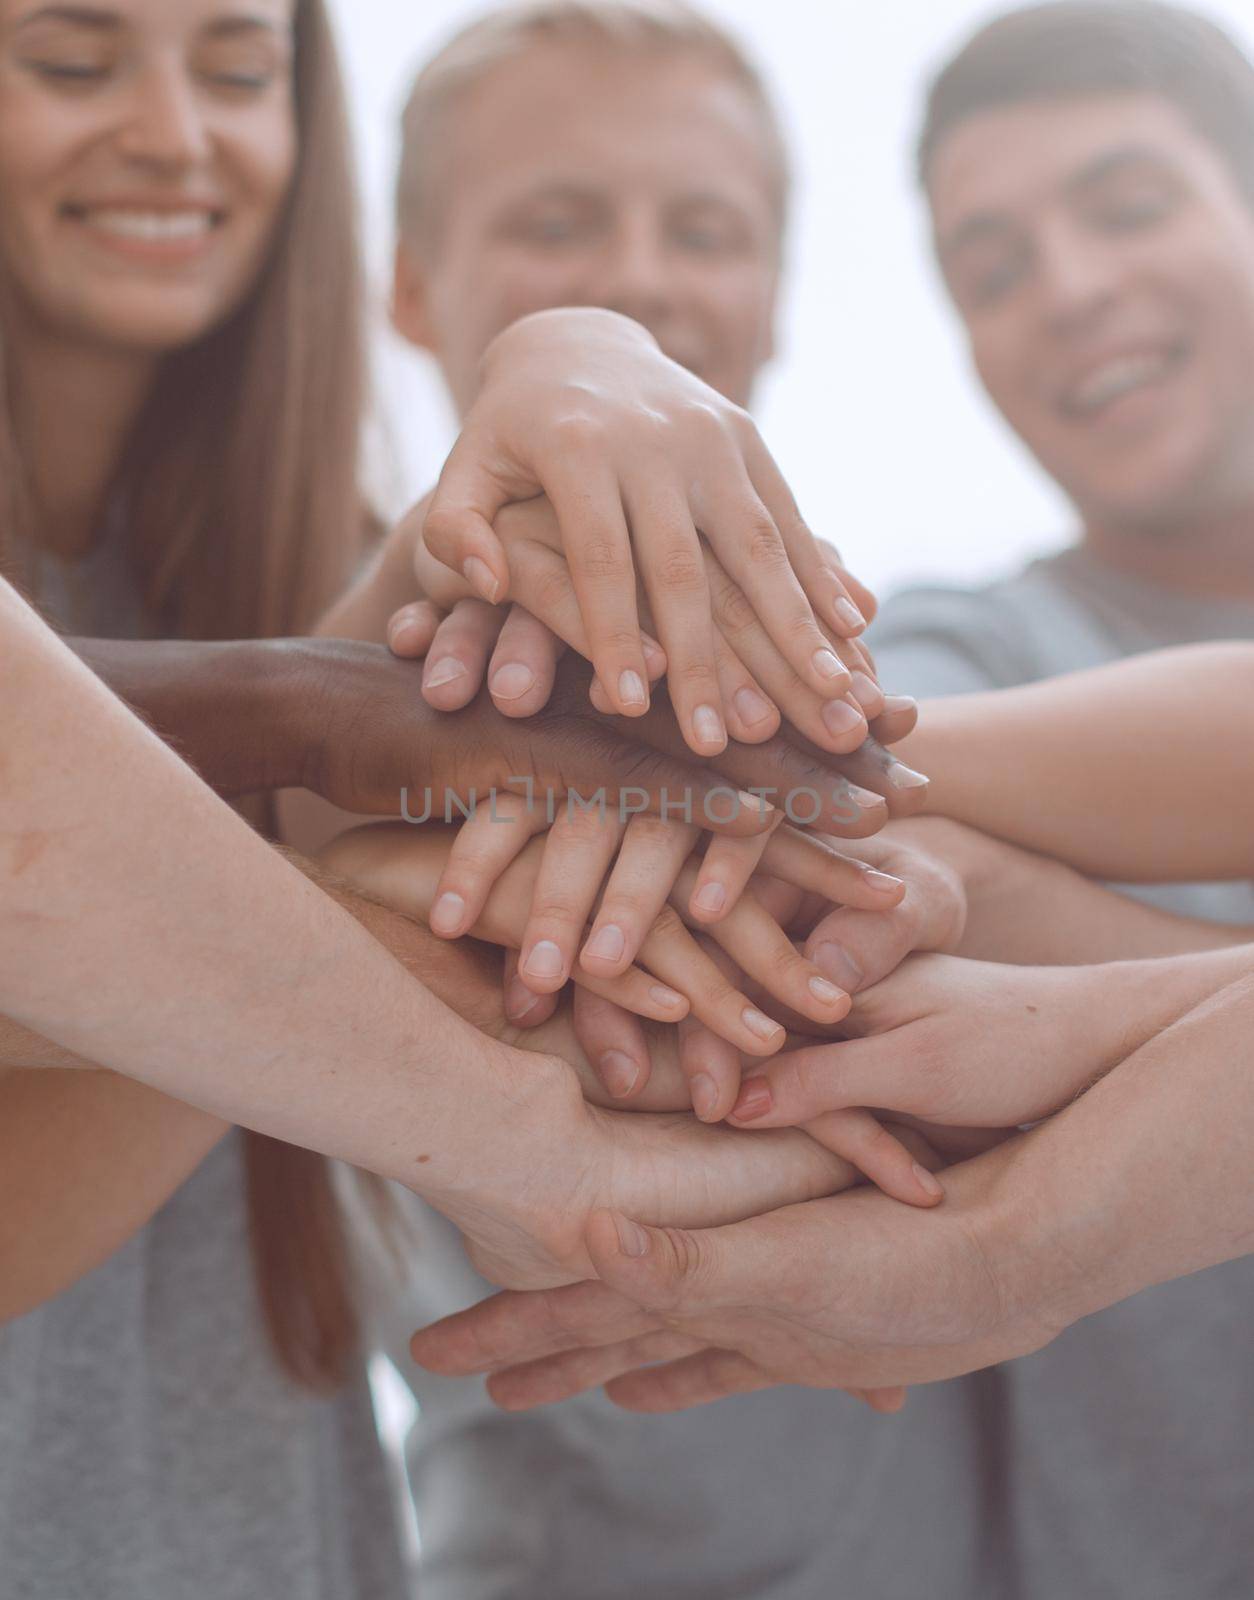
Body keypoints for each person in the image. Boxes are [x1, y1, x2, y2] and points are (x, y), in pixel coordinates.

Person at [0, 1, 886, 1594]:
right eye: (68, 61)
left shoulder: (333, 557)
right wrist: (336, 902)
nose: (172, 134)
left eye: (236, 68)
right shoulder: (359, 637)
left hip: (277, 1536)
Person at [369, 4, 1254, 1599]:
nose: (1068, 287)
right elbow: (870, 923)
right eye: (989, 264)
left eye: (1124, 205)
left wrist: (828, 796)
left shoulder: (864, 704)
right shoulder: (948, 646)